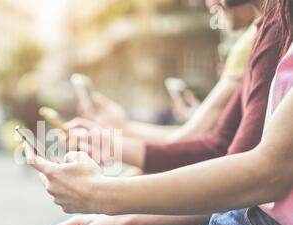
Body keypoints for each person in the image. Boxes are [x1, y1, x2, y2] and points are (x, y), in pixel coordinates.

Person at [0, 0, 293, 225]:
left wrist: (105, 195)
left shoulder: (272, 25)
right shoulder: (275, 20)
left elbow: (250, 166)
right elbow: (230, 156)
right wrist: (116, 199)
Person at [80, 0, 260, 144]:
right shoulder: (259, 33)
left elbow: (189, 139)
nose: (209, 3)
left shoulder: (249, 42)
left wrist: (119, 131)